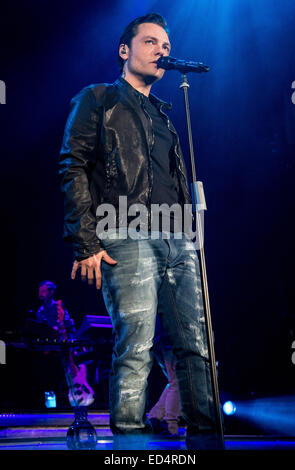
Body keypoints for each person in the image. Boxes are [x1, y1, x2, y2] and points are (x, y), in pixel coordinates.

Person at [59, 13, 223, 450]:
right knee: (136, 346)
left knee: (197, 347)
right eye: (151, 42)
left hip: (178, 237)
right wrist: (85, 242)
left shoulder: (166, 116)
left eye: (166, 46)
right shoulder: (97, 99)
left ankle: (207, 441)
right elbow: (72, 166)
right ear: (124, 50)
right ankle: (131, 445)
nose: (162, 51)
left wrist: (190, 232)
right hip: (125, 232)